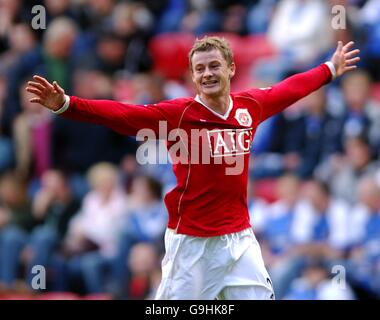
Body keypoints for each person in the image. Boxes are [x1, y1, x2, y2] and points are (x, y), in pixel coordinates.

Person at [25, 36, 360, 300]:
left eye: (214, 65)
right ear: (192, 76)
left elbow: (290, 89)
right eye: (199, 69)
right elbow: (122, 115)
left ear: (230, 68)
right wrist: (67, 105)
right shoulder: (178, 115)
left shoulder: (249, 107)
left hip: (240, 238)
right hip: (193, 242)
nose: (207, 74)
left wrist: (330, 69)